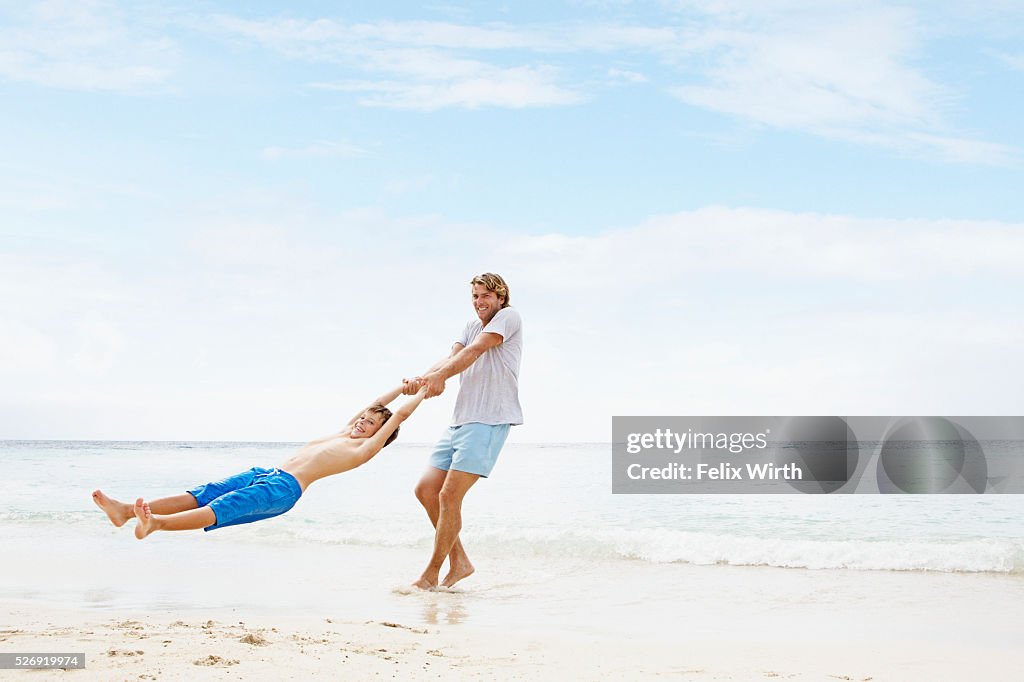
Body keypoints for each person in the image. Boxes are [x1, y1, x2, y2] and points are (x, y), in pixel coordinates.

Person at [92, 384, 427, 539]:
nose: (361, 422)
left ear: (379, 435)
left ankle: (158, 524)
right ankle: (124, 513)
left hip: (284, 488)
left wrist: (423, 390)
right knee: (205, 492)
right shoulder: (342, 434)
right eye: (362, 418)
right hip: (266, 474)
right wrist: (402, 386)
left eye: (369, 423)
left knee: (225, 505)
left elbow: (397, 415)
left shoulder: (362, 450)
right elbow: (377, 403)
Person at [404, 273, 523, 589]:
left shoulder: (508, 318)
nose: (480, 302)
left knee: (449, 495)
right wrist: (423, 377)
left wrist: (440, 379)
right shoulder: (470, 326)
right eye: (475, 296)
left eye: (486, 296)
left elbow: (475, 352)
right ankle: (460, 562)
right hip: (459, 421)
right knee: (426, 490)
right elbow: (453, 357)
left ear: (501, 297)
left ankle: (430, 575)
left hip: (489, 420)